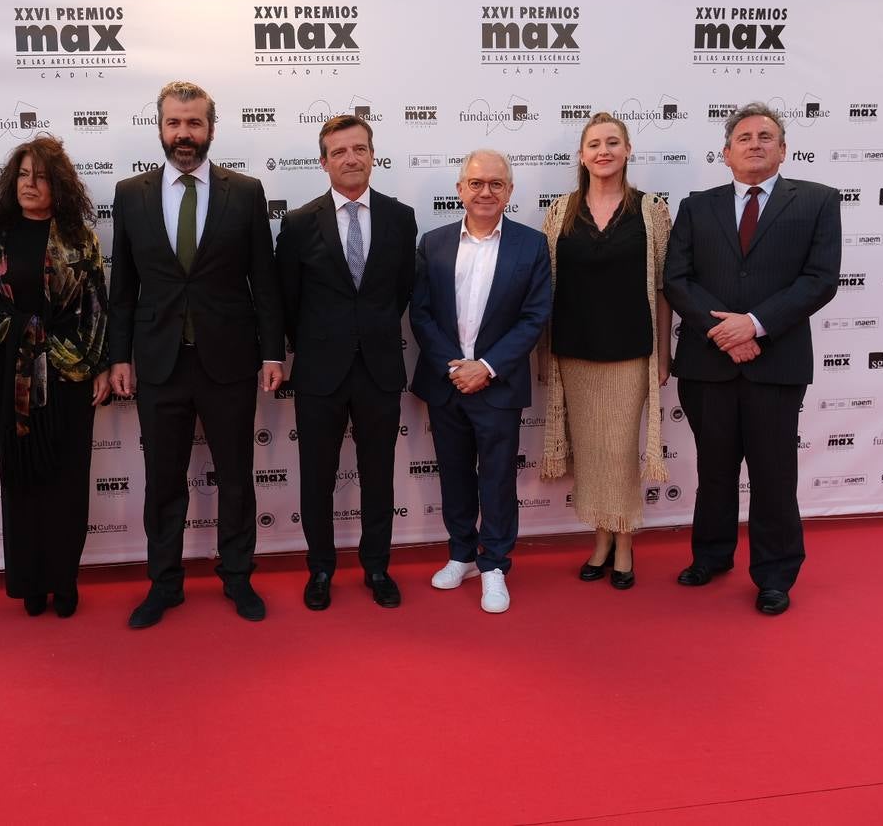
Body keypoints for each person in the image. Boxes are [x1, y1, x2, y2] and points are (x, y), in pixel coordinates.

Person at [109, 81, 285, 628]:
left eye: (194, 123)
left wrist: (273, 353)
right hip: (159, 362)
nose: (184, 134)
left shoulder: (247, 192)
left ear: (211, 128)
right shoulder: (131, 193)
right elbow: (123, 287)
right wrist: (119, 357)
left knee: (236, 476)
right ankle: (164, 584)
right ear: (159, 127)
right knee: (163, 480)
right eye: (174, 123)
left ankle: (237, 577)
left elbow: (265, 282)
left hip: (230, 360)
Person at [664, 102, 840, 616]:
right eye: (744, 137)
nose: (755, 143)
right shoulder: (697, 206)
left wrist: (755, 324)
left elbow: (820, 279)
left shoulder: (818, 202)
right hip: (708, 362)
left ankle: (775, 573)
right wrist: (725, 331)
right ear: (726, 153)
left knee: (773, 474)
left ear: (783, 149)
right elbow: (677, 278)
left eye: (766, 136)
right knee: (715, 469)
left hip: (777, 363)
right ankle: (711, 556)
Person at [276, 115, 417, 611]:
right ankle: (320, 568)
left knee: (378, 474)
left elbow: (401, 291)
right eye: (339, 152)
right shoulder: (296, 224)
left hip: (379, 366)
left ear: (373, 154)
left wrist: (369, 331)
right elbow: (286, 301)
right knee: (317, 475)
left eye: (358, 149)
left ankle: (377, 566)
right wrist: (317, 342)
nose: (350, 158)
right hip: (319, 371)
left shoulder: (401, 218)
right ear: (323, 162)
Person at [0, 136, 111, 619]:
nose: (31, 184)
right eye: (24, 175)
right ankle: (30, 582)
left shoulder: (80, 238)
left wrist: (94, 367)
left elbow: (96, 308)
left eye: (42, 176)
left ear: (60, 185)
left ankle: (64, 581)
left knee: (68, 478)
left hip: (70, 369)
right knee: (21, 477)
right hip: (13, 372)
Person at [409, 150, 551, 613]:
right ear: (460, 190)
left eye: (495, 184)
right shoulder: (433, 243)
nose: (485, 191)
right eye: (475, 183)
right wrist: (455, 365)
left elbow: (534, 317)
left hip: (498, 384)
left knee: (496, 478)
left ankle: (494, 565)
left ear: (510, 191)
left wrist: (486, 367)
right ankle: (461, 554)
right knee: (453, 474)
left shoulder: (530, 246)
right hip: (446, 381)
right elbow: (422, 313)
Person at [539, 112, 673, 590]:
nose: (603, 151)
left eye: (612, 142)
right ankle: (601, 539)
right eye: (594, 144)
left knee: (618, 451)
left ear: (627, 150)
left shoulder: (651, 211)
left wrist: (663, 353)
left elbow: (663, 288)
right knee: (592, 453)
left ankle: (625, 542)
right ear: (581, 155)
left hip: (631, 351)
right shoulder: (560, 211)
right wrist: (543, 355)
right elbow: (547, 288)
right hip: (573, 353)